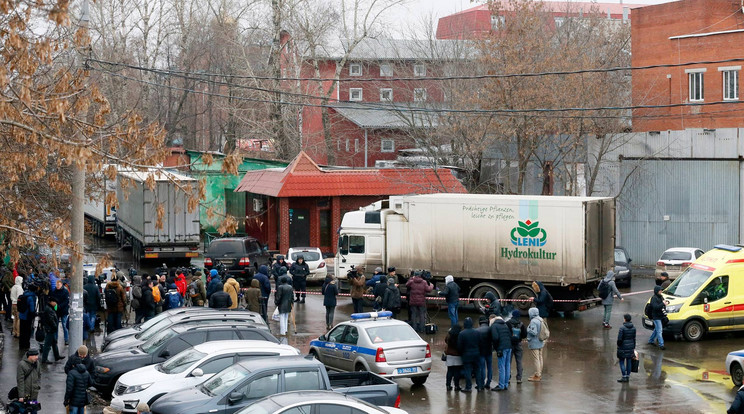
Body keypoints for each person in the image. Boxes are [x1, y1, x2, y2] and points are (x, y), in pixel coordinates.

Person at [457, 317, 483, 392]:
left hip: (466, 355)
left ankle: (468, 387)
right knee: (477, 370)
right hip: (476, 354)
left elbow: (459, 346)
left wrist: (461, 353)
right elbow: (480, 343)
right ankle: (479, 386)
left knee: (467, 371)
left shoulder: (462, 334)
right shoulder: (477, 332)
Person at [490, 314, 512, 391]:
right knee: (507, 365)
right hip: (509, 347)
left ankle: (501, 385)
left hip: (501, 348)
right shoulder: (505, 324)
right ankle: (505, 384)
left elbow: (495, 338)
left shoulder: (494, 326)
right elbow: (510, 335)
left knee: (501, 367)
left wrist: (496, 348)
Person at [40, 296, 64, 364]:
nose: (56, 303)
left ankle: (57, 356)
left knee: (54, 343)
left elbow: (56, 310)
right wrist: (55, 326)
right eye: (55, 302)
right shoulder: (49, 309)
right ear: (52, 302)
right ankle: (44, 359)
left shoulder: (50, 308)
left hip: (51, 329)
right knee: (47, 345)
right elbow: (51, 320)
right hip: (50, 329)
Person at [17, 348, 41, 412]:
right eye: (35, 356)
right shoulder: (22, 364)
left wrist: (38, 386)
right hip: (25, 395)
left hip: (34, 394)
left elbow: (39, 375)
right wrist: (21, 396)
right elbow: (20, 380)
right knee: (25, 410)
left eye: (37, 355)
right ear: (30, 356)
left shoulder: (37, 363)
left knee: (34, 409)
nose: (37, 357)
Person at [507, 309, 527, 384]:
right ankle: (519, 378)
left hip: (510, 345)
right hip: (518, 344)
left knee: (508, 362)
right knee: (519, 362)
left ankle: (508, 377)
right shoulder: (521, 324)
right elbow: (525, 335)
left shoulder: (508, 323)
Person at [526, 307, 546, 382]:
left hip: (535, 342)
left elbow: (533, 332)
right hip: (540, 341)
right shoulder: (540, 319)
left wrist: (528, 329)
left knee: (536, 359)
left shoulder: (533, 321)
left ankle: (537, 375)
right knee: (540, 357)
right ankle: (539, 373)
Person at [617, 313, 636, 383]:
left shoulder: (622, 328)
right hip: (630, 347)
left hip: (622, 347)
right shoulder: (634, 328)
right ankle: (628, 376)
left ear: (625, 319)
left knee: (621, 361)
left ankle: (624, 376)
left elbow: (619, 339)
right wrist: (633, 347)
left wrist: (618, 345)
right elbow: (634, 338)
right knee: (629, 361)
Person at [18, 284, 38, 349]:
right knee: (27, 331)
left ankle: (21, 345)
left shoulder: (24, 294)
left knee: (22, 331)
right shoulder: (31, 297)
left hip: (22, 315)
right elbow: (32, 309)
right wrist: (34, 314)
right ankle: (26, 345)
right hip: (27, 316)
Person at [475, 316, 493, 390]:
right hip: (489, 351)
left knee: (482, 367)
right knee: (489, 367)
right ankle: (488, 382)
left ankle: (481, 383)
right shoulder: (490, 329)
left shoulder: (477, 330)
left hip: (481, 352)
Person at [648, 285, 667, 350]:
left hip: (660, 316)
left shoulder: (661, 297)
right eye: (660, 290)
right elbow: (655, 307)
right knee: (659, 330)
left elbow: (662, 304)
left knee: (657, 330)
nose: (661, 291)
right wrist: (663, 304)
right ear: (657, 291)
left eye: (661, 290)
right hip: (656, 317)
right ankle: (661, 344)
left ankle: (651, 340)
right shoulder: (654, 298)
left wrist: (665, 303)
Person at [444, 325, 463, 391]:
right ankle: (456, 386)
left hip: (449, 355)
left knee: (449, 371)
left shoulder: (449, 336)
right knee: (457, 372)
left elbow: (445, 341)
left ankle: (448, 385)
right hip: (458, 355)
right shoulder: (460, 336)